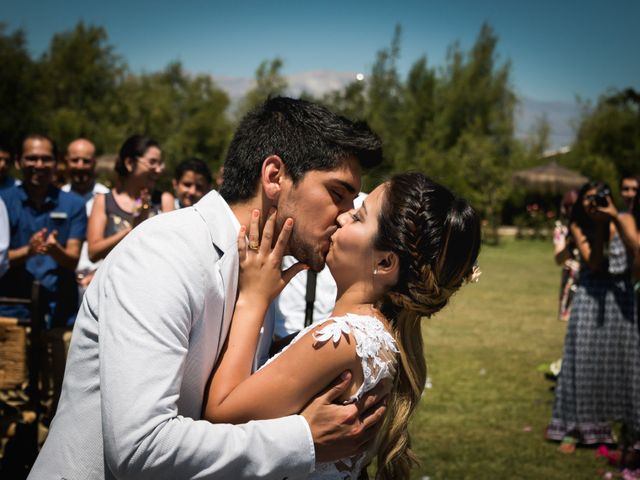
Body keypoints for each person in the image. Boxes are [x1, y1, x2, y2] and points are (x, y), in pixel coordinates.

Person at [28, 97, 387, 479]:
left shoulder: (259, 268)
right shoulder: (165, 251)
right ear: (274, 176)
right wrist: (303, 440)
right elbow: (138, 449)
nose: (347, 214)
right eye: (337, 193)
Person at [204, 172, 481, 479]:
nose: (343, 216)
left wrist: (252, 300)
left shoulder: (345, 339)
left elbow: (220, 414)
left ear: (385, 263)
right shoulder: (373, 335)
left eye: (359, 217)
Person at [546, 181, 640, 453]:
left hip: (621, 298)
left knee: (624, 362)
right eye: (587, 198)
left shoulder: (625, 219)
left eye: (597, 197)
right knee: (584, 360)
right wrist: (599, 226)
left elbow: (636, 249)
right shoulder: (578, 226)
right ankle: (576, 428)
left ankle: (625, 427)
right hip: (591, 295)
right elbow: (595, 262)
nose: (592, 203)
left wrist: (613, 219)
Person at [0, 134, 86, 326]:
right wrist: (27, 252)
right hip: (11, 311)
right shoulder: (3, 202)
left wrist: (55, 250)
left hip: (60, 313)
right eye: (31, 158)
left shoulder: (74, 204)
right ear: (18, 162)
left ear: (56, 163)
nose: (39, 164)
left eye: (46, 159)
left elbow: (73, 259)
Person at [87, 135, 170, 263]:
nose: (158, 170)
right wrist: (131, 231)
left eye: (160, 164)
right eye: (152, 162)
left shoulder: (164, 200)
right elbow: (93, 253)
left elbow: (171, 247)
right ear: (130, 163)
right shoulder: (104, 201)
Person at [61, 138, 110, 290]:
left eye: (86, 161)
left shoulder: (107, 198)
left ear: (94, 163)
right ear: (66, 161)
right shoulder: (58, 197)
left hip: (98, 280)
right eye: (75, 160)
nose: (80, 166)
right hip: (64, 281)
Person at [553, 190, 579, 322]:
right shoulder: (561, 229)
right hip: (570, 277)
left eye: (574, 205)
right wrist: (571, 243)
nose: (571, 209)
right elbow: (558, 259)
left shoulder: (591, 225)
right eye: (568, 205)